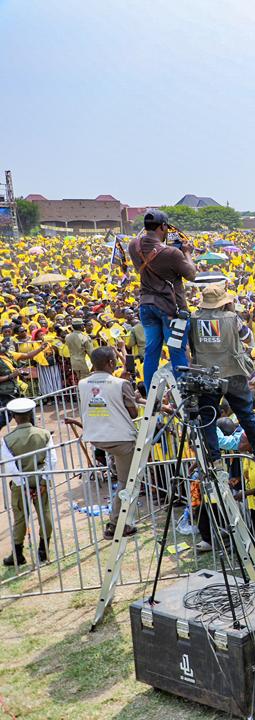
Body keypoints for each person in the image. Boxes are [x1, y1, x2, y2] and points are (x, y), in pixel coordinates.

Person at [187, 282, 255, 466]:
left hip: (206, 374)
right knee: (245, 413)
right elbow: (247, 337)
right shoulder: (232, 318)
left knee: (208, 416)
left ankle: (215, 458)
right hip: (233, 372)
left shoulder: (193, 318)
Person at [67, 346, 140, 539]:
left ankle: (119, 520)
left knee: (122, 478)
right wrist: (131, 394)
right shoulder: (121, 384)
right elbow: (133, 413)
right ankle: (116, 524)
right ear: (110, 363)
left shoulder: (82, 383)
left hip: (96, 437)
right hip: (121, 439)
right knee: (127, 482)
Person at [127, 209, 196, 393]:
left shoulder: (133, 246)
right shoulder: (172, 253)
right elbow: (192, 275)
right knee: (176, 351)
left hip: (146, 306)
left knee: (151, 352)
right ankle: (183, 393)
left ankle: (151, 393)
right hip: (169, 309)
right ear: (163, 226)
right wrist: (187, 253)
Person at [1, 398, 56, 565]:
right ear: (31, 414)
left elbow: (10, 467)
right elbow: (52, 460)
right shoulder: (44, 434)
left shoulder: (8, 439)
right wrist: (43, 482)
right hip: (41, 480)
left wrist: (23, 486)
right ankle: (43, 551)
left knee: (20, 517)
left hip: (20, 483)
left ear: (14, 417)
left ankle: (17, 554)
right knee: (45, 514)